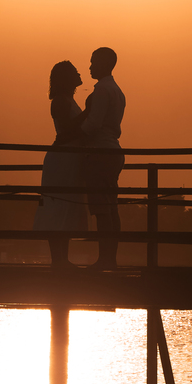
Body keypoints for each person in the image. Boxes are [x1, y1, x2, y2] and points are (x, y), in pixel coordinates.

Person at [33, 61, 89, 267]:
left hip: (70, 160)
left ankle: (62, 259)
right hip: (62, 161)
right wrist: (88, 112)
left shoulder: (68, 100)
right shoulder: (59, 101)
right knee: (57, 207)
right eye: (74, 71)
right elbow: (64, 132)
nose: (79, 73)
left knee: (66, 207)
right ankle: (58, 259)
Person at [80, 47, 125, 269]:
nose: (89, 67)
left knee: (101, 208)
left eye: (93, 62)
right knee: (111, 206)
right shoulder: (117, 90)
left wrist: (74, 135)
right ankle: (110, 258)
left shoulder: (101, 91)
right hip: (113, 150)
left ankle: (104, 259)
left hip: (100, 151)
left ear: (103, 64)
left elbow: (93, 124)